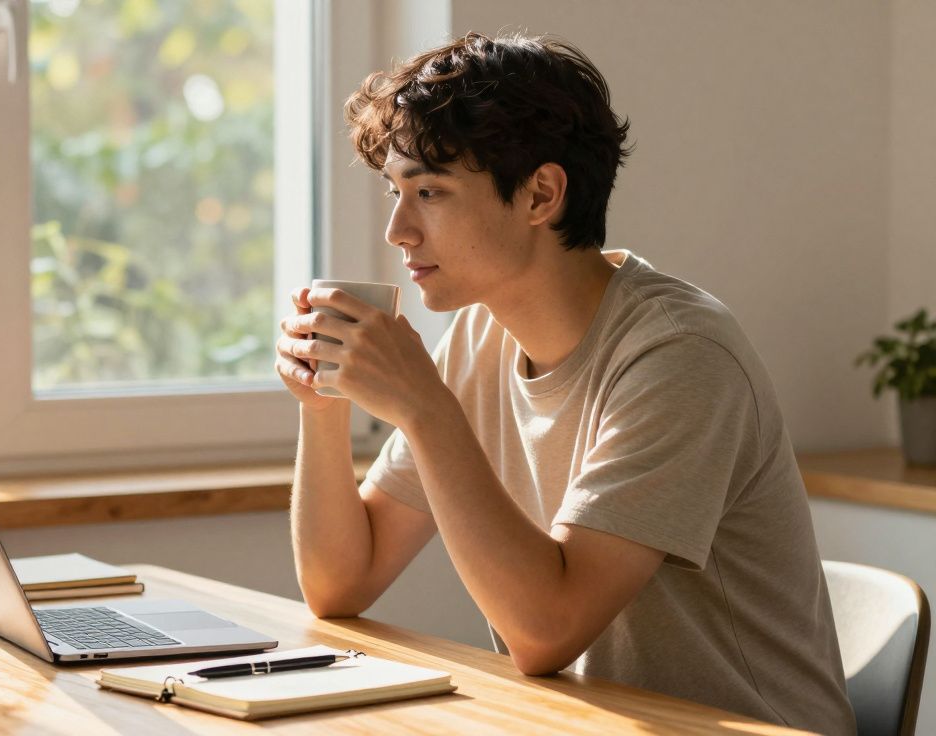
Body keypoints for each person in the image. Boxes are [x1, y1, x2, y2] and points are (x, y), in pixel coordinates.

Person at [275, 31, 853, 733]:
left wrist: (426, 409)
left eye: (429, 191)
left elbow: (545, 631)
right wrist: (323, 401)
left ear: (541, 194)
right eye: (396, 191)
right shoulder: (481, 338)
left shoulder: (679, 354)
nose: (399, 229)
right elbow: (340, 583)